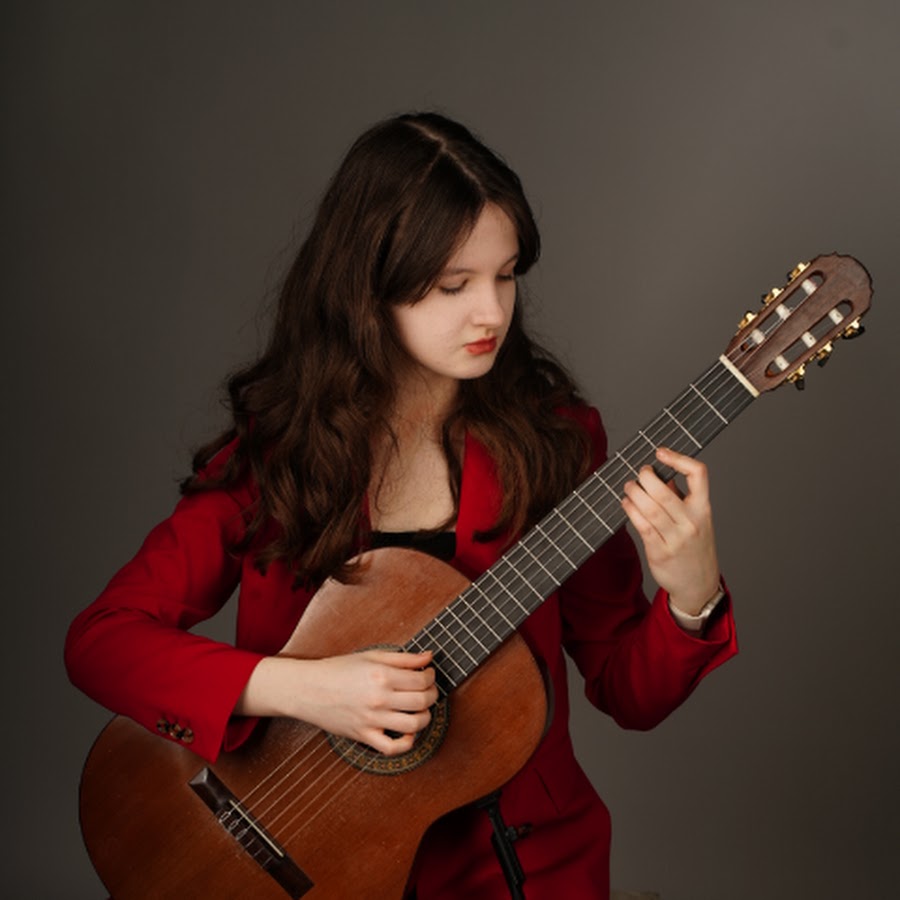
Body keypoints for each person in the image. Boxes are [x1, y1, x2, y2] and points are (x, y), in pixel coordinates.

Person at [65, 112, 737, 899]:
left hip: (521, 866)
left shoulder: (559, 441)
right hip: (310, 860)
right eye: (454, 285)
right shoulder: (278, 456)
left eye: (506, 275)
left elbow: (629, 692)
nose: (492, 313)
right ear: (368, 288)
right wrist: (308, 689)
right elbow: (101, 643)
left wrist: (692, 598)